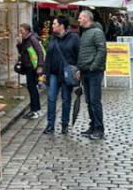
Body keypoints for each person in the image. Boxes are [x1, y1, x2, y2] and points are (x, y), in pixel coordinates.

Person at [43, 15, 80, 135]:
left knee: (66, 99)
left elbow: (79, 55)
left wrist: (78, 69)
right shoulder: (53, 39)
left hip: (66, 74)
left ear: (61, 26)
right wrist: (45, 72)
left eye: (54, 24)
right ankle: (50, 125)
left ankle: (65, 125)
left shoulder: (74, 38)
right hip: (53, 73)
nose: (52, 26)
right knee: (51, 98)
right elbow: (48, 56)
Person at [77, 9, 107, 140]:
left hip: (94, 72)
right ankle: (93, 125)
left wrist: (93, 66)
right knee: (89, 101)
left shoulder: (97, 32)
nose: (78, 19)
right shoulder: (84, 33)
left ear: (87, 18)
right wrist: (80, 68)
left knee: (95, 101)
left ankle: (99, 129)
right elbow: (83, 53)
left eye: (80, 17)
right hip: (85, 72)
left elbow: (102, 51)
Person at [15, 23, 44, 121]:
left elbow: (39, 52)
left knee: (32, 89)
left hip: (32, 67)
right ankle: (34, 109)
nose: (20, 32)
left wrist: (40, 66)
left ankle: (36, 110)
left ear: (27, 31)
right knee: (31, 88)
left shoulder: (32, 39)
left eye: (21, 30)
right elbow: (22, 52)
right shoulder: (26, 39)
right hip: (28, 67)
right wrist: (19, 44)